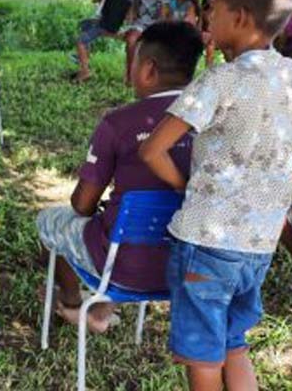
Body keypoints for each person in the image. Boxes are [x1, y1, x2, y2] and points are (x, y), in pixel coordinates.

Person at [139, 0, 292, 391]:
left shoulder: (220, 80)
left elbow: (152, 149)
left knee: (203, 356)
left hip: (207, 241)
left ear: (240, 17)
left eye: (213, 9)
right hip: (259, 244)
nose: (207, 17)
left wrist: (181, 185)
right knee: (234, 344)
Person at [38, 22, 200, 332]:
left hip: (122, 267)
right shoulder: (212, 120)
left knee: (50, 221)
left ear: (148, 69)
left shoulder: (118, 123)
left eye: (134, 60)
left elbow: (82, 205)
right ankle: (100, 311)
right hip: (191, 267)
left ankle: (71, 303)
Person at [73, 0, 136, 82]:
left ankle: (84, 70)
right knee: (86, 25)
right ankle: (84, 56)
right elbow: (129, 14)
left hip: (103, 25)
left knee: (80, 40)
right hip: (116, 26)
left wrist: (101, 0)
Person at [121, 0, 171, 85]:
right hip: (139, 23)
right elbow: (131, 10)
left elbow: (163, 14)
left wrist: (159, 30)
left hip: (155, 25)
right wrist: (128, 23)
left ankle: (151, 76)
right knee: (131, 40)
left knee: (154, 45)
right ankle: (130, 74)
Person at [200, 0, 217, 67]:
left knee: (210, 45)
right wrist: (201, 33)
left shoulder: (221, 11)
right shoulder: (204, 10)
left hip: (216, 36)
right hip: (205, 34)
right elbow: (199, 25)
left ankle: (209, 68)